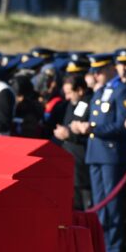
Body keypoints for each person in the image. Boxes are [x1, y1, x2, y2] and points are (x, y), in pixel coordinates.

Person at [85, 54, 126, 252]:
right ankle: (101, 245)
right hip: (96, 152)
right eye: (94, 71)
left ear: (110, 69)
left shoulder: (121, 90)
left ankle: (113, 248)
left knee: (112, 204)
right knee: (100, 204)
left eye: (100, 70)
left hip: (111, 152)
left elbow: (123, 124)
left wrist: (95, 129)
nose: (96, 75)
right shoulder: (99, 91)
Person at [53, 73, 94, 209]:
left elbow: (85, 131)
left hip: (82, 163)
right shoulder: (72, 104)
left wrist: (69, 134)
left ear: (80, 90)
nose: (67, 97)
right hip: (71, 161)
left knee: (85, 202)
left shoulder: (89, 102)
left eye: (70, 93)